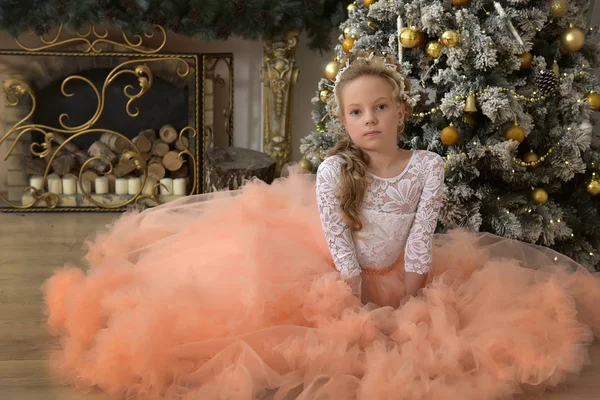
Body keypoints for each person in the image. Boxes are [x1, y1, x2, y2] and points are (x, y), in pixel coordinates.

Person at [41, 51, 600, 400]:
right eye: (357, 112)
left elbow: (422, 235)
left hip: (401, 269)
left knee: (437, 326)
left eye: (380, 108)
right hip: (335, 266)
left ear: (401, 113)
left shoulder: (428, 166)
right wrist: (353, 292)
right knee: (264, 309)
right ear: (344, 121)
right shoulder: (336, 168)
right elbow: (337, 236)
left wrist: (411, 294)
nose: (370, 120)